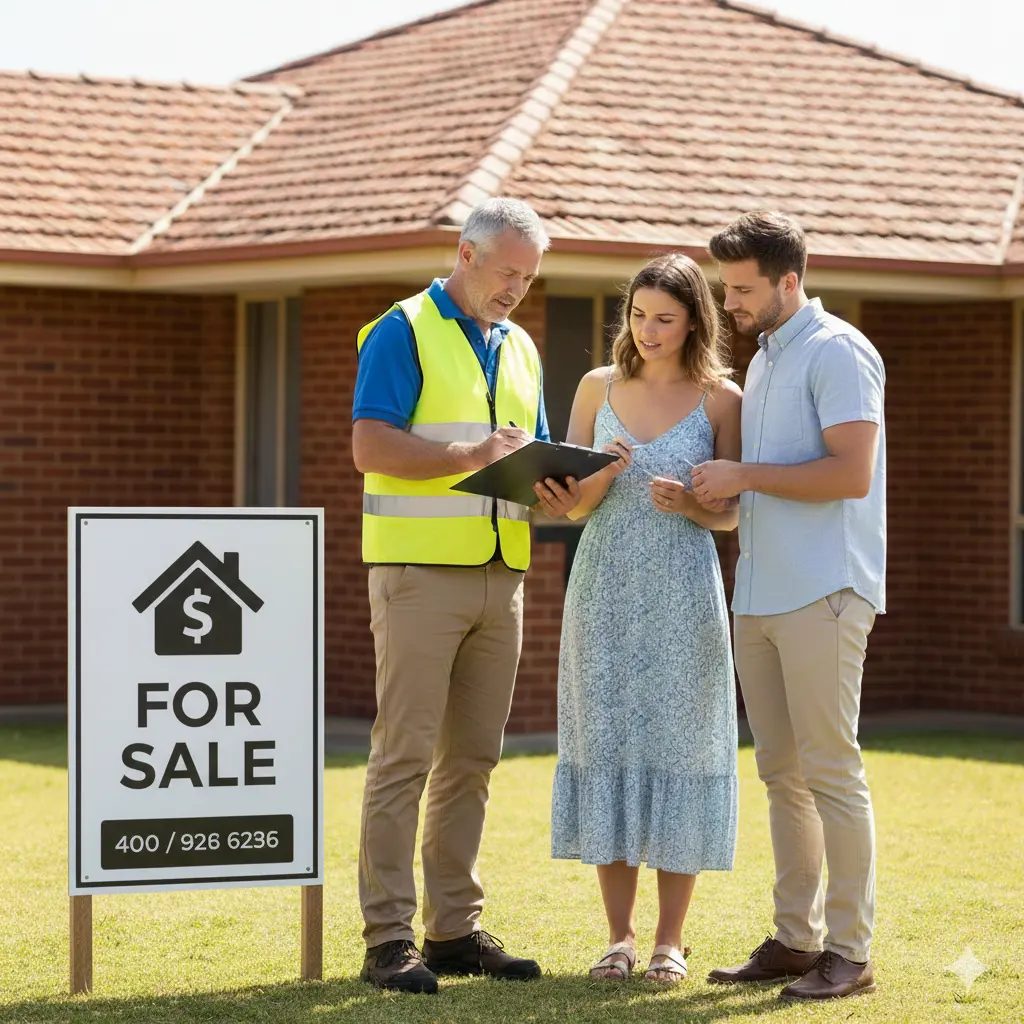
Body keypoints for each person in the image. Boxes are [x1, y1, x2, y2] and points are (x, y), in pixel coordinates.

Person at [351, 197, 580, 994]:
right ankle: (387, 940)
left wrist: (555, 483)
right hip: (416, 575)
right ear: (466, 252)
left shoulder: (519, 346)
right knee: (404, 756)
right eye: (507, 270)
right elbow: (369, 443)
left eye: (529, 275)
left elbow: (528, 448)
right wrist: (472, 453)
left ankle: (453, 931)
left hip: (500, 574)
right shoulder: (402, 329)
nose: (517, 287)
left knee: (473, 761)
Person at [694, 211, 886, 1001]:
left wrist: (743, 476)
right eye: (726, 288)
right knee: (782, 774)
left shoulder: (838, 350)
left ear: (789, 281)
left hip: (825, 591)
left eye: (742, 290)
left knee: (831, 771)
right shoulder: (768, 358)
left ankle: (852, 950)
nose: (730, 304)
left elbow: (851, 474)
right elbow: (762, 486)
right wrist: (711, 497)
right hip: (761, 594)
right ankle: (798, 940)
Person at [550, 253, 742, 985]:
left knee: (682, 749)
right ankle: (618, 938)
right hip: (602, 589)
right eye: (637, 315)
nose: (648, 329)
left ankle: (670, 940)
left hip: (684, 593)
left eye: (664, 317)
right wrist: (596, 469)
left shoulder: (724, 399)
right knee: (605, 743)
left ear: (695, 318)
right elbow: (568, 506)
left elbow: (728, 520)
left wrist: (690, 505)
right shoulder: (597, 386)